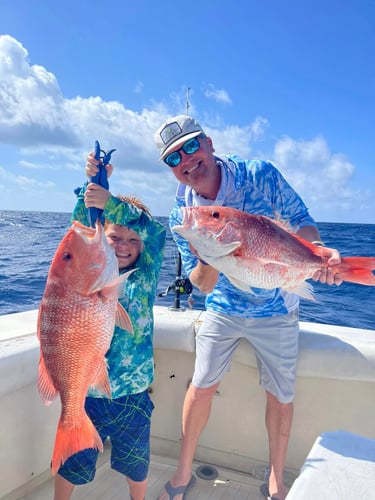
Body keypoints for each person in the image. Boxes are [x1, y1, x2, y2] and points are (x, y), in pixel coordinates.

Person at [153, 115, 342, 500]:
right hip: (223, 307)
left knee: (281, 394)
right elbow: (202, 286)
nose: (186, 160)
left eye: (191, 146)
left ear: (209, 143)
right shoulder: (182, 218)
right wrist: (207, 253)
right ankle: (182, 473)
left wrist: (318, 256)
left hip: (278, 304)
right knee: (202, 385)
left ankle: (276, 482)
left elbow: (302, 223)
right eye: (174, 158)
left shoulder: (259, 175)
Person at [54, 152, 166, 500]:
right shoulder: (87, 275)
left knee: (137, 463)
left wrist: (112, 203)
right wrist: (90, 189)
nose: (125, 246)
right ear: (104, 235)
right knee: (75, 460)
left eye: (134, 241)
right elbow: (81, 232)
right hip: (85, 392)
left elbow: (156, 233)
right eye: (116, 238)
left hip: (132, 392)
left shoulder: (144, 275)